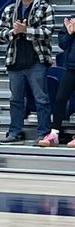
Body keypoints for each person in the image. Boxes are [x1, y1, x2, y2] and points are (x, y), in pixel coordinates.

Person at [0, 0, 53, 146]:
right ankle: (15, 132)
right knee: (15, 100)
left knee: (41, 99)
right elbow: (0, 34)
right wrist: (14, 32)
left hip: (37, 60)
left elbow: (48, 32)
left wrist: (26, 30)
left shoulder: (45, 8)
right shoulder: (10, 9)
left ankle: (43, 134)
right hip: (15, 60)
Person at [39, 15, 75, 147]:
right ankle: (54, 134)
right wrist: (70, 33)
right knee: (60, 99)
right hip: (71, 67)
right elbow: (63, 44)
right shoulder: (71, 20)